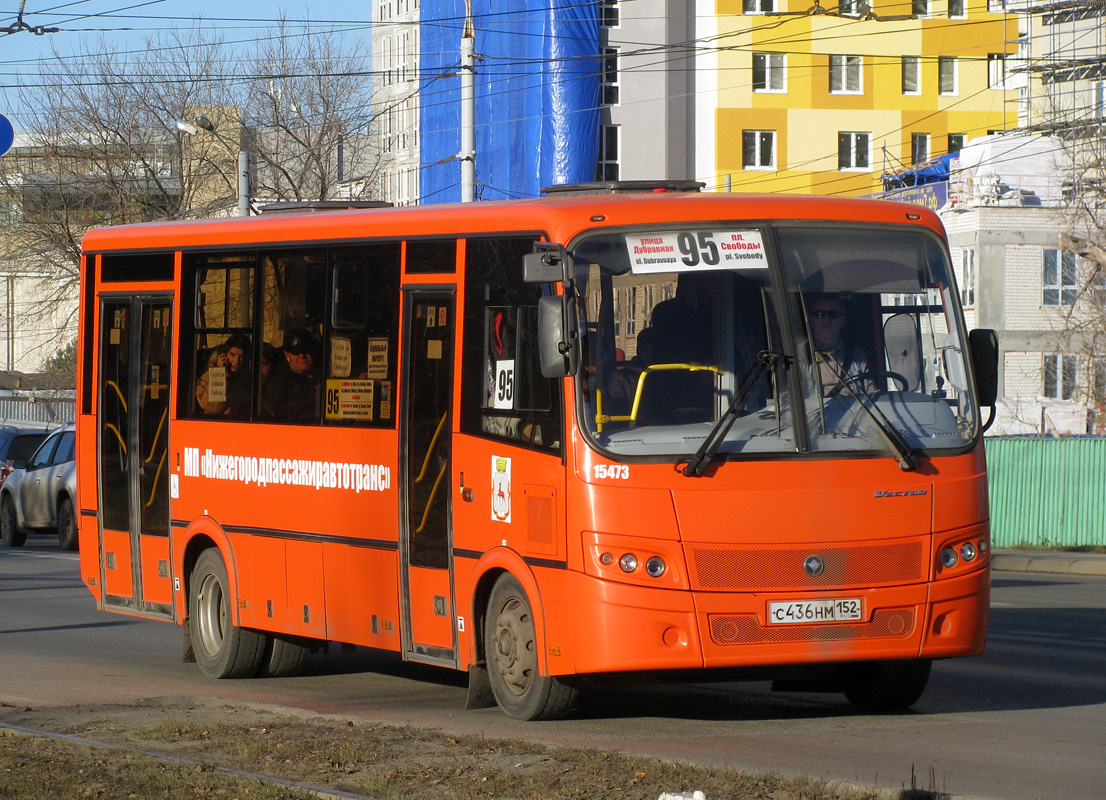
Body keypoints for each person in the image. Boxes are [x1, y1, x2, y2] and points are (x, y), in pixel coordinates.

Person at [806, 295, 871, 396]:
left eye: (833, 315)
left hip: (856, 410)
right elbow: (786, 399)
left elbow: (872, 394)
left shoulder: (857, 355)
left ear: (843, 321)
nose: (826, 320)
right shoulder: (799, 356)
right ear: (811, 320)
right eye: (819, 315)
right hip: (816, 411)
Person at [262, 328, 320, 423]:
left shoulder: (327, 378)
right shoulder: (278, 384)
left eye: (306, 350)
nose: (302, 355)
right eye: (296, 352)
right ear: (286, 355)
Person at [195, 333, 251, 417]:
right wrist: (219, 373)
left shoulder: (248, 378)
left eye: (241, 357)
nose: (236, 361)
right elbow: (215, 408)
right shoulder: (209, 375)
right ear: (224, 354)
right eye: (232, 355)